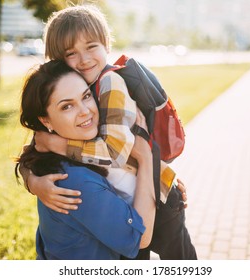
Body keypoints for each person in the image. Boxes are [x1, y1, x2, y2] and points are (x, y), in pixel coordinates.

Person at [20, 4, 197, 260]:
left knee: (181, 262)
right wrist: (34, 183)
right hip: (129, 202)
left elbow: (114, 151)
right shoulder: (78, 88)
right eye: (71, 53)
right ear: (57, 60)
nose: (84, 59)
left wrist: (60, 145)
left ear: (107, 46)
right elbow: (32, 152)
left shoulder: (110, 83)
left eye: (91, 47)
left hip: (158, 198)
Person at [16, 60, 156, 259]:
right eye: (67, 107)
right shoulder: (75, 181)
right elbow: (140, 238)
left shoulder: (64, 150)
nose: (85, 111)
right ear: (45, 120)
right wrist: (146, 160)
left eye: (86, 96)